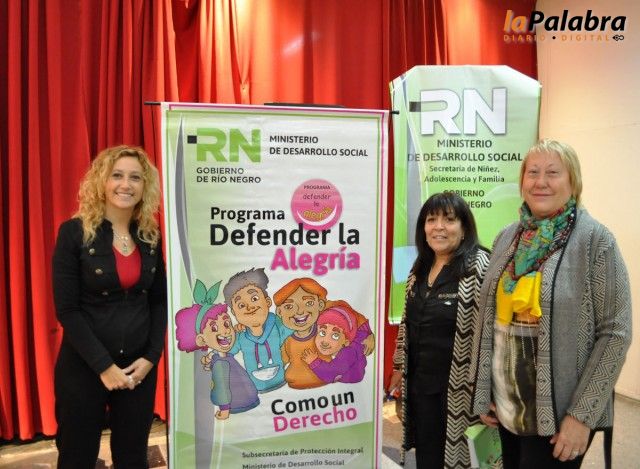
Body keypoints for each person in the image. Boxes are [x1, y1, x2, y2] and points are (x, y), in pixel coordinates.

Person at [471, 139, 632, 469]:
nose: (540, 182)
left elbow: (615, 333)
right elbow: (488, 319)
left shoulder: (595, 241)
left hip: (560, 415)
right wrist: (486, 389)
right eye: (532, 172)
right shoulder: (507, 237)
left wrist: (581, 416)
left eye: (553, 173)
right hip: (507, 406)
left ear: (573, 181)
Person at [52, 145, 167, 468]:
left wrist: (151, 357)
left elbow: (158, 301)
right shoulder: (74, 233)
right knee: (76, 457)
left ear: (145, 186)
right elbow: (67, 310)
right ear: (101, 181)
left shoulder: (150, 236)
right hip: (85, 367)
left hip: (138, 369)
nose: (125, 184)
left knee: (132, 458)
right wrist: (104, 367)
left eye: (135, 177)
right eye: (117, 175)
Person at [389, 192, 490, 468]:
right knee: (428, 455)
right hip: (421, 386)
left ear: (464, 227)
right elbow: (408, 323)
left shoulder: (480, 266)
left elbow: (492, 336)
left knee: (461, 459)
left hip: (461, 390)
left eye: (449, 220)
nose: (439, 227)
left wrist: (487, 392)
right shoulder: (421, 266)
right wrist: (399, 366)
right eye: (431, 220)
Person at [274, 277, 374, 389]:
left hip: (326, 385)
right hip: (294, 388)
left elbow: (349, 315)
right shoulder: (287, 339)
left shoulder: (324, 325)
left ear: (320, 305)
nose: (300, 311)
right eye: (289, 306)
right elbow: (280, 361)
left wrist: (367, 333)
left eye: (309, 303)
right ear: (279, 312)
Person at [175, 300, 259, 420]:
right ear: (201, 340)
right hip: (240, 403)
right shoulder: (219, 362)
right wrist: (224, 410)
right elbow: (221, 388)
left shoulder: (223, 357)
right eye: (214, 328)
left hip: (243, 401)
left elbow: (222, 387)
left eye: (227, 324)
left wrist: (224, 410)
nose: (226, 330)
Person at [222, 268, 292, 392]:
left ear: (267, 302)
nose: (249, 307)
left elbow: (297, 332)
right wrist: (231, 333)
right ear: (234, 313)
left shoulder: (277, 324)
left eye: (254, 299)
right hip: (255, 390)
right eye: (241, 305)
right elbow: (225, 353)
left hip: (283, 385)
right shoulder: (240, 335)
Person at [301, 304, 367, 384]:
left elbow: (331, 373)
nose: (325, 341)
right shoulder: (345, 348)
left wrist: (314, 362)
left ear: (346, 342)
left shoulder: (348, 352)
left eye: (335, 336)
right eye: (322, 333)